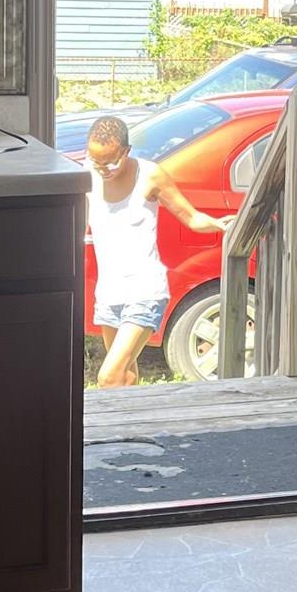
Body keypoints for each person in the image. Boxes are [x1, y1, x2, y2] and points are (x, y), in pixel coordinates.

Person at [85, 114, 230, 388]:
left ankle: (116, 418)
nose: (104, 170)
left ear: (126, 151)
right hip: (108, 293)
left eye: (111, 162)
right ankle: (134, 416)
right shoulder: (87, 175)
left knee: (108, 377)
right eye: (96, 162)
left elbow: (191, 217)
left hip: (144, 291)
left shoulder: (149, 175)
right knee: (125, 375)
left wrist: (219, 224)